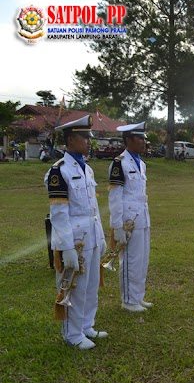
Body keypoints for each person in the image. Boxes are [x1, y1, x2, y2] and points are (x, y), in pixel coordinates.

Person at [44, 115, 107, 350]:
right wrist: (66, 247)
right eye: (84, 138)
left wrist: (100, 237)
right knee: (73, 285)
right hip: (74, 239)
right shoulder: (59, 171)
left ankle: (86, 325)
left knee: (90, 284)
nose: (89, 142)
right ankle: (72, 333)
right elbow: (59, 214)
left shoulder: (87, 169)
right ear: (71, 140)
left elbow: (93, 209)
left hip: (90, 235)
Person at [108, 121, 153, 312]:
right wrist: (117, 226)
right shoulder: (119, 163)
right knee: (129, 260)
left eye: (144, 138)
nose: (143, 142)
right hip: (127, 220)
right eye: (139, 138)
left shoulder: (140, 163)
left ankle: (137, 296)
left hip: (141, 216)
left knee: (142, 259)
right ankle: (128, 300)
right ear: (128, 140)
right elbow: (115, 196)